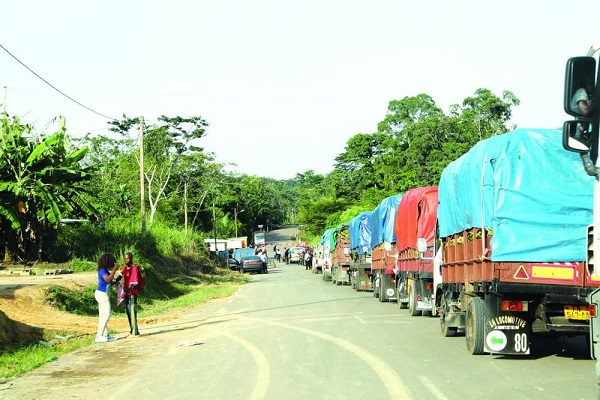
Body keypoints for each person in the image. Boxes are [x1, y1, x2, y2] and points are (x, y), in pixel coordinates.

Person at [95, 253, 119, 343]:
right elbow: (108, 279)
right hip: (102, 294)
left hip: (102, 293)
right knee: (106, 315)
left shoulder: (104, 270)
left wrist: (115, 283)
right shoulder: (102, 270)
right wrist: (115, 270)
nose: (113, 264)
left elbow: (109, 281)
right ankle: (99, 336)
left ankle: (105, 335)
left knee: (102, 316)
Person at [119, 252, 143, 337]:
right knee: (128, 312)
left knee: (132, 311)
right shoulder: (126, 268)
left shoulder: (134, 268)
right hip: (127, 293)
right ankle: (132, 330)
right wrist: (115, 281)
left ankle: (135, 332)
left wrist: (124, 293)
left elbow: (132, 284)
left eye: (128, 258)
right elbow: (121, 275)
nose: (126, 260)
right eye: (125, 259)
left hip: (132, 293)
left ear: (131, 258)